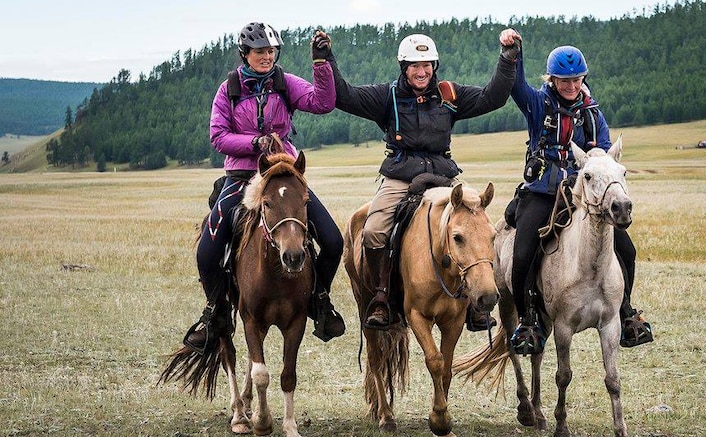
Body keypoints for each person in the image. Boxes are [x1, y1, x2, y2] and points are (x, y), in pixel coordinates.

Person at [324, 31, 520, 330]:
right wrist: (327, 59)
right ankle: (382, 296)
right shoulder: (386, 96)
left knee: (476, 227)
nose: (422, 71)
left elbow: (492, 97)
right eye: (415, 65)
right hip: (400, 174)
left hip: (444, 176)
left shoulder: (448, 94)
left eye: (427, 64)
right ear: (404, 67)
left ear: (435, 66)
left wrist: (507, 58)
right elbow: (344, 95)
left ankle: (474, 303)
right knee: (375, 230)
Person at [183, 22, 345, 354]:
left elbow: (323, 102)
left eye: (271, 51)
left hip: (284, 177)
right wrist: (254, 142)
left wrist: (321, 64)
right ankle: (215, 312)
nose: (267, 57)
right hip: (242, 178)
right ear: (245, 54)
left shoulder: (285, 84)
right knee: (207, 252)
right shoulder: (228, 89)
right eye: (260, 52)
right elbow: (218, 136)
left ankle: (320, 300)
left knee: (332, 239)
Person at [499, 28, 654, 355]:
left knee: (626, 251)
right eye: (563, 81)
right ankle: (529, 320)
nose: (570, 86)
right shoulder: (538, 104)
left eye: (576, 80)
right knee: (524, 251)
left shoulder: (593, 114)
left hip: (586, 197)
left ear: (583, 78)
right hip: (543, 192)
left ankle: (625, 312)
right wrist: (513, 54)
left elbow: (607, 153)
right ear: (552, 80)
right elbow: (516, 87)